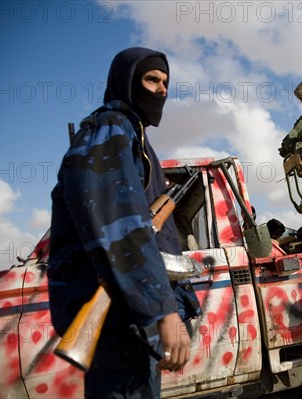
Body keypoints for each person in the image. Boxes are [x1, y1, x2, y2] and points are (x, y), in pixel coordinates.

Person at [47, 47, 201, 398]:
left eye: (165, 82)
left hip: (132, 315)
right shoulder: (109, 130)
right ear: (125, 82)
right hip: (122, 317)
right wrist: (162, 310)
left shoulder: (135, 137)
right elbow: (120, 229)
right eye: (151, 79)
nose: (162, 89)